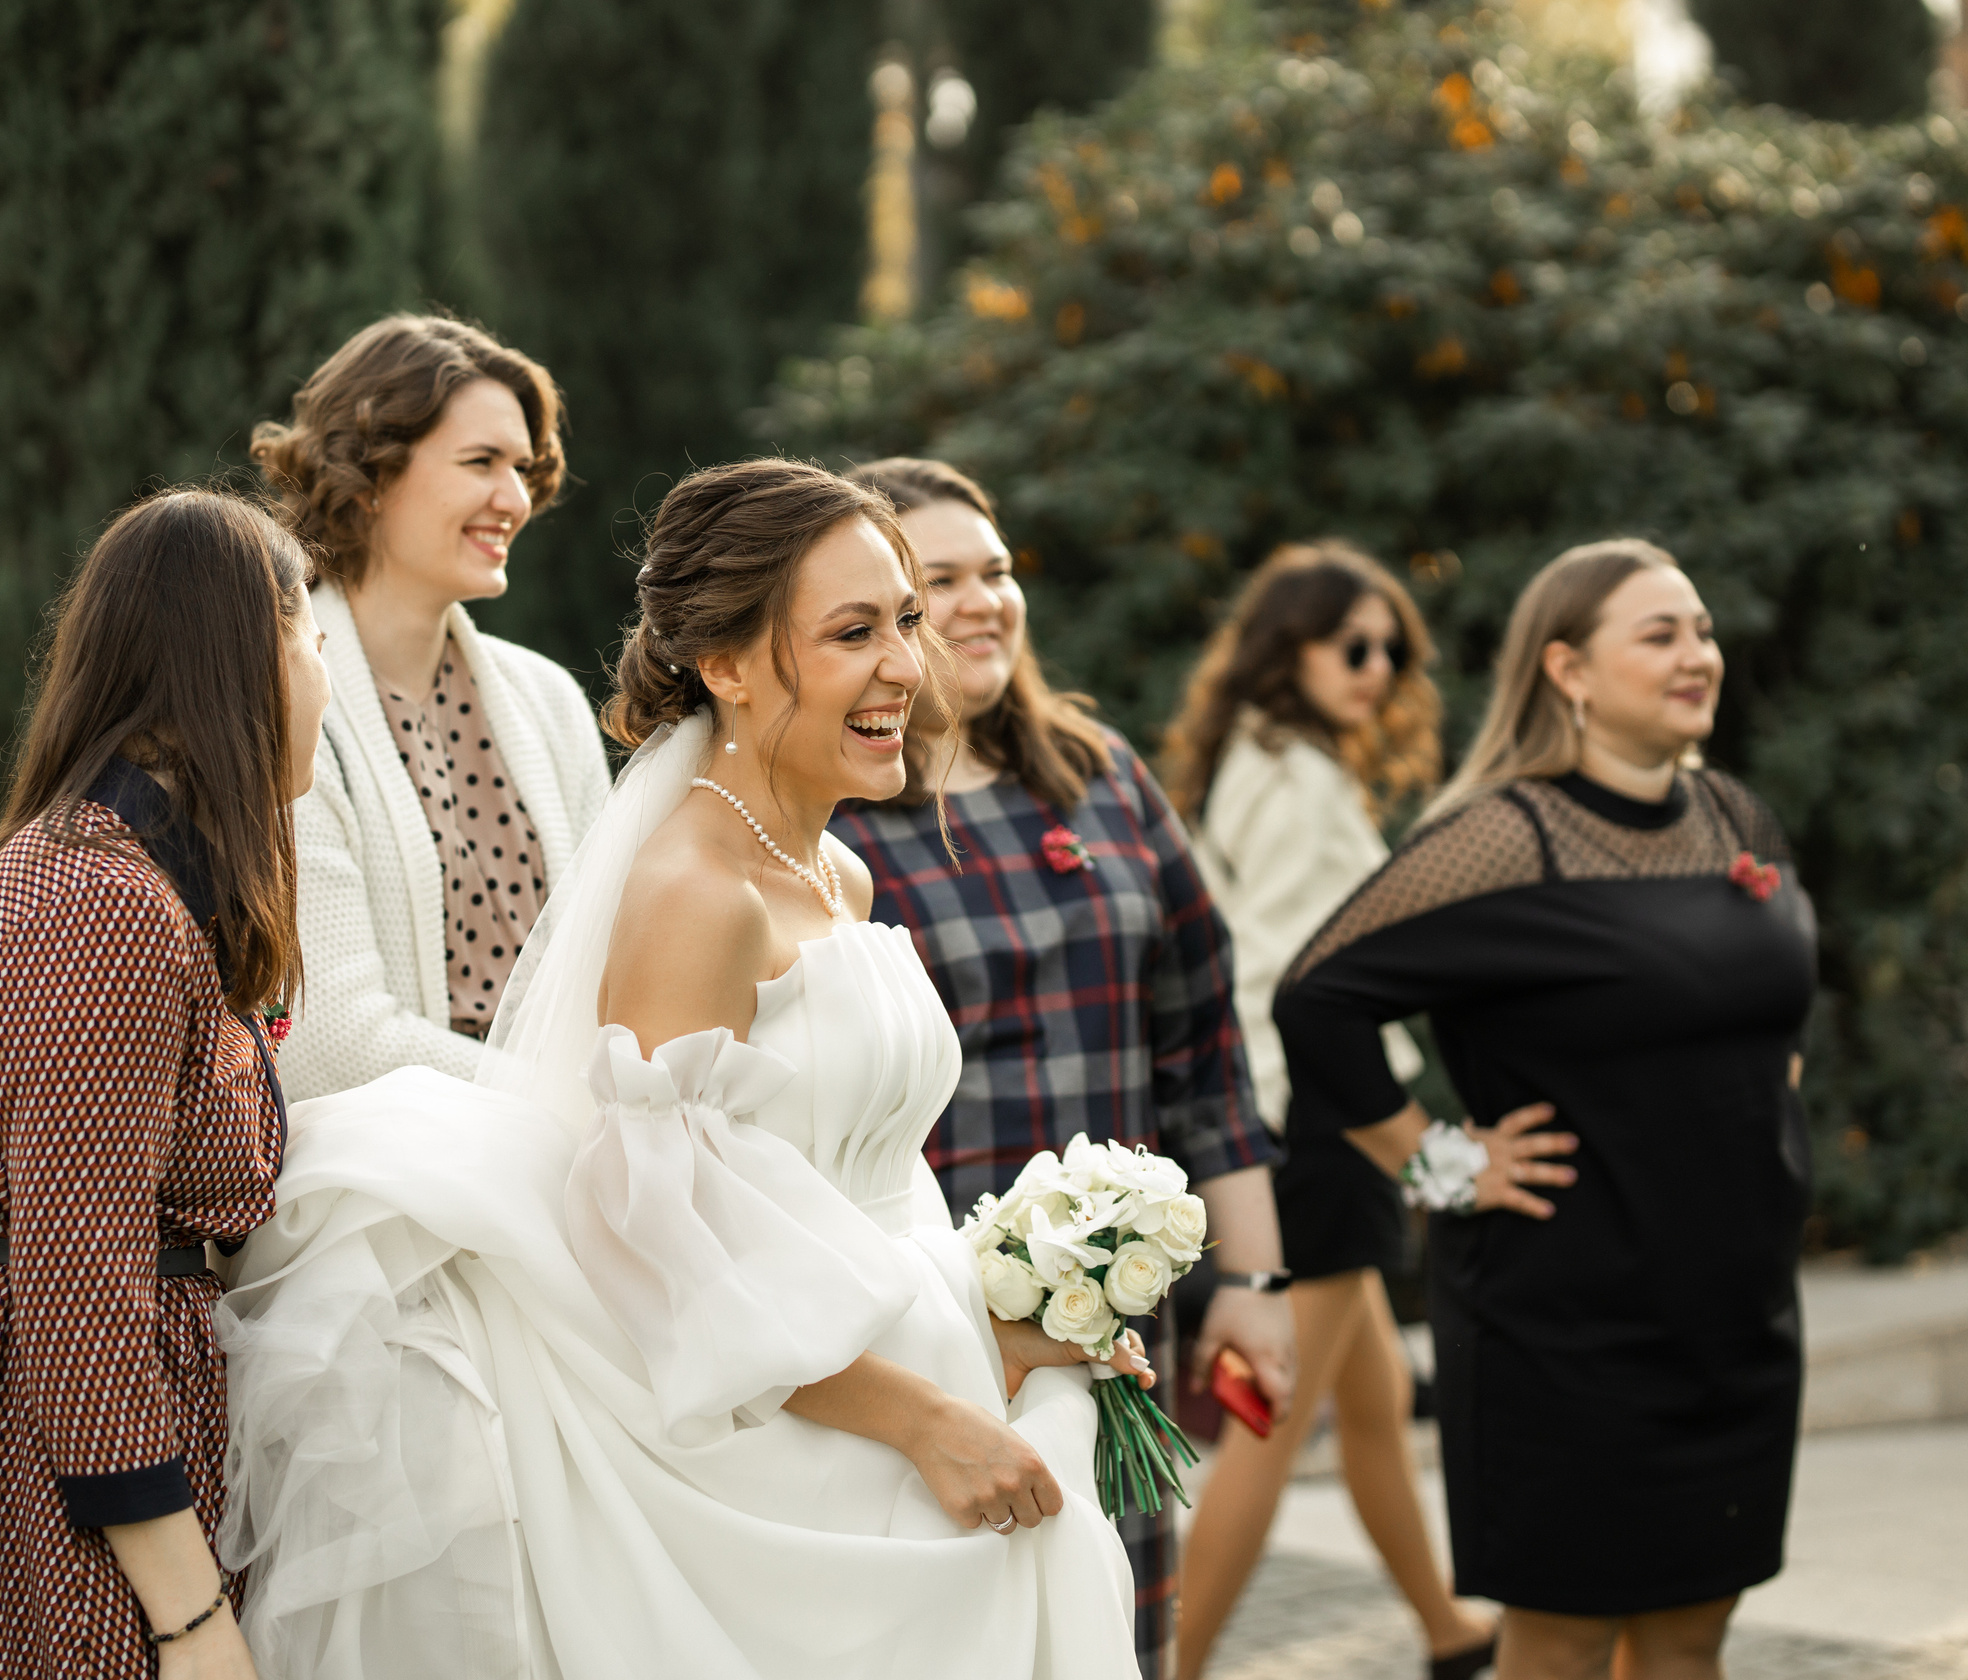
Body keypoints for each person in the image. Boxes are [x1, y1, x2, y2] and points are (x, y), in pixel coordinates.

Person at [217, 458, 1155, 1680]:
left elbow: (839, 1181)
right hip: (780, 1437)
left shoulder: (839, 873)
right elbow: (657, 1242)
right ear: (726, 665)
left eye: (905, 622)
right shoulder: (696, 897)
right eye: (853, 634)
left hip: (892, 1347)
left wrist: (998, 1322)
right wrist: (925, 1419)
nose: (904, 669)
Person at [1272, 539, 1813, 1680]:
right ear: (1567, 670)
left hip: (1735, 1316)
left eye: (1703, 631)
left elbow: (1764, 1003)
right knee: (1563, 1644)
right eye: (1659, 635)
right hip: (1565, 1329)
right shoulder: (1501, 840)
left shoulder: (1735, 818)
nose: (1697, 655)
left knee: (1693, 1639)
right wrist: (1434, 1162)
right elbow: (1316, 998)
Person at [0, 489, 328, 1679]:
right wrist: (190, 1623)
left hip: (44, 1447)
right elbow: (77, 1295)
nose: (325, 684)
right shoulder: (100, 910)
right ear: (246, 655)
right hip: (30, 1486)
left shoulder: (133, 878)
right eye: (315, 643)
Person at [826, 459, 1292, 1678]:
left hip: (1112, 1326)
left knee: (1114, 1632)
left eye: (997, 571)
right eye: (938, 583)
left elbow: (1203, 1051)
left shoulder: (1101, 778)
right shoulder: (828, 820)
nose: (982, 601)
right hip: (925, 1327)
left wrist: (1253, 1277)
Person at [1155, 542, 1497, 1680]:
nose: (1378, 669)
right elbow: (1294, 980)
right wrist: (1339, 1124)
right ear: (1287, 649)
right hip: (1317, 1120)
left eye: (1391, 650)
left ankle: (1448, 1631)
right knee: (1273, 1423)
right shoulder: (1295, 778)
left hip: (1292, 1116)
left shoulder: (1257, 759)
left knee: (1376, 1396)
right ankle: (1173, 1665)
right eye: (1353, 647)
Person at [251, 314, 610, 1101]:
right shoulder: (275, 702)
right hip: (377, 1158)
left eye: (523, 467)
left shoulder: (550, 700)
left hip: (567, 1144)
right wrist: (576, 1101)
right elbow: (329, 1042)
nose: (515, 498)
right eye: (481, 462)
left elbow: (613, 970)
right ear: (370, 475)